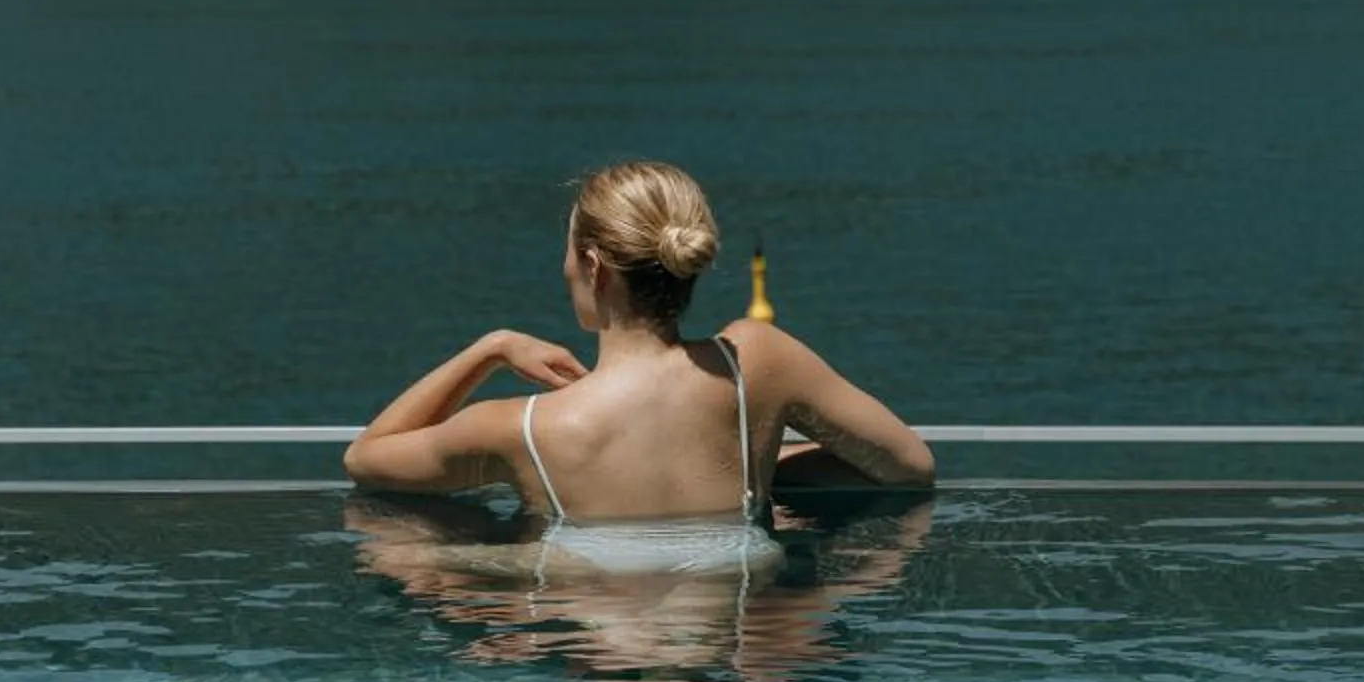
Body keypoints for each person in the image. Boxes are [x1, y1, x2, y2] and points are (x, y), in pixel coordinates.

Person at [342, 160, 934, 572]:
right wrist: (755, 462)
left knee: (400, 551)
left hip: (590, 635)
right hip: (737, 628)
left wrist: (489, 349)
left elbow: (366, 461)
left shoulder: (521, 429)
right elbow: (907, 466)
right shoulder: (759, 360)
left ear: (594, 267)